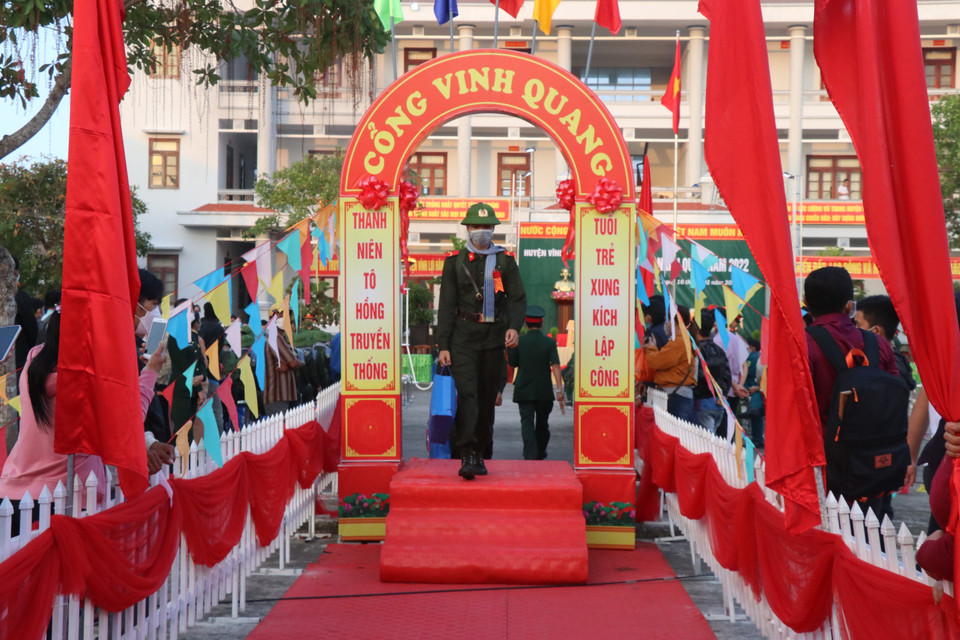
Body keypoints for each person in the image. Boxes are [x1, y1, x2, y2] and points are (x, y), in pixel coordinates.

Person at [0, 311, 168, 531]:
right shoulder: (81, 381)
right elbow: (130, 419)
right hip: (62, 499)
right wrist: (151, 369)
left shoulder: (34, 362)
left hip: (12, 494)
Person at [803, 266, 901, 522]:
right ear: (850, 306)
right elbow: (895, 397)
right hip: (875, 465)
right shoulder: (878, 343)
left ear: (805, 304)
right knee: (875, 540)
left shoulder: (802, 344)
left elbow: (794, 411)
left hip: (825, 468)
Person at [437, 202, 526, 480]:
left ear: (493, 229)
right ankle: (467, 453)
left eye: (487, 227)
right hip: (462, 339)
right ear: (468, 228)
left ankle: (482, 452)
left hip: (493, 339)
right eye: (476, 226)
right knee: (469, 396)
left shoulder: (504, 262)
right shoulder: (455, 262)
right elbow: (446, 305)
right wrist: (443, 345)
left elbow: (516, 298)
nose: (482, 231)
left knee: (487, 399)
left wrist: (514, 327)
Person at [507, 305, 565, 460]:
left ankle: (529, 454)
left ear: (526, 324)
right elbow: (556, 365)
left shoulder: (519, 342)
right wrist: (560, 389)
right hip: (543, 390)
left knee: (526, 423)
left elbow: (512, 363)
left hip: (523, 389)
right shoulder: (549, 343)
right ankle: (540, 451)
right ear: (542, 324)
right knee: (542, 423)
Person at [644, 304, 697, 424]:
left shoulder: (679, 341)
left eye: (668, 321)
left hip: (677, 396)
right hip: (679, 394)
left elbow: (656, 362)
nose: (666, 324)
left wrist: (652, 348)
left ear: (673, 322)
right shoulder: (683, 339)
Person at [690, 310, 731, 435]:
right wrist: (722, 394)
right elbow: (727, 376)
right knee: (713, 438)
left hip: (702, 403)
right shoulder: (719, 350)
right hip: (718, 404)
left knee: (706, 442)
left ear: (696, 329)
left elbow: (696, 376)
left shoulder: (697, 351)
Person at [263, 312, 302, 415]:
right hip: (277, 393)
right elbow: (293, 363)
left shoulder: (280, 337)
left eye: (286, 315)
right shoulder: (275, 337)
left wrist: (290, 364)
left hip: (283, 393)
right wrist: (298, 363)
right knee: (279, 428)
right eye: (280, 315)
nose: (283, 318)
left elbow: (291, 363)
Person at [198, 302, 226, 432]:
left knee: (200, 411)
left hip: (198, 373)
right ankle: (218, 439)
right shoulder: (218, 329)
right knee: (216, 411)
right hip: (212, 372)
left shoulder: (200, 327)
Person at [12, 258, 38, 380]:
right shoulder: (20, 299)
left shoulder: (19, 299)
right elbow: (32, 330)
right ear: (15, 272)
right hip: (18, 362)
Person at [742, 337, 764, 448]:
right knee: (757, 414)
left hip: (750, 388)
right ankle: (758, 438)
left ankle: (755, 438)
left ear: (752, 347)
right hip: (756, 389)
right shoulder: (758, 357)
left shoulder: (752, 358)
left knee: (755, 412)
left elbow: (746, 372)